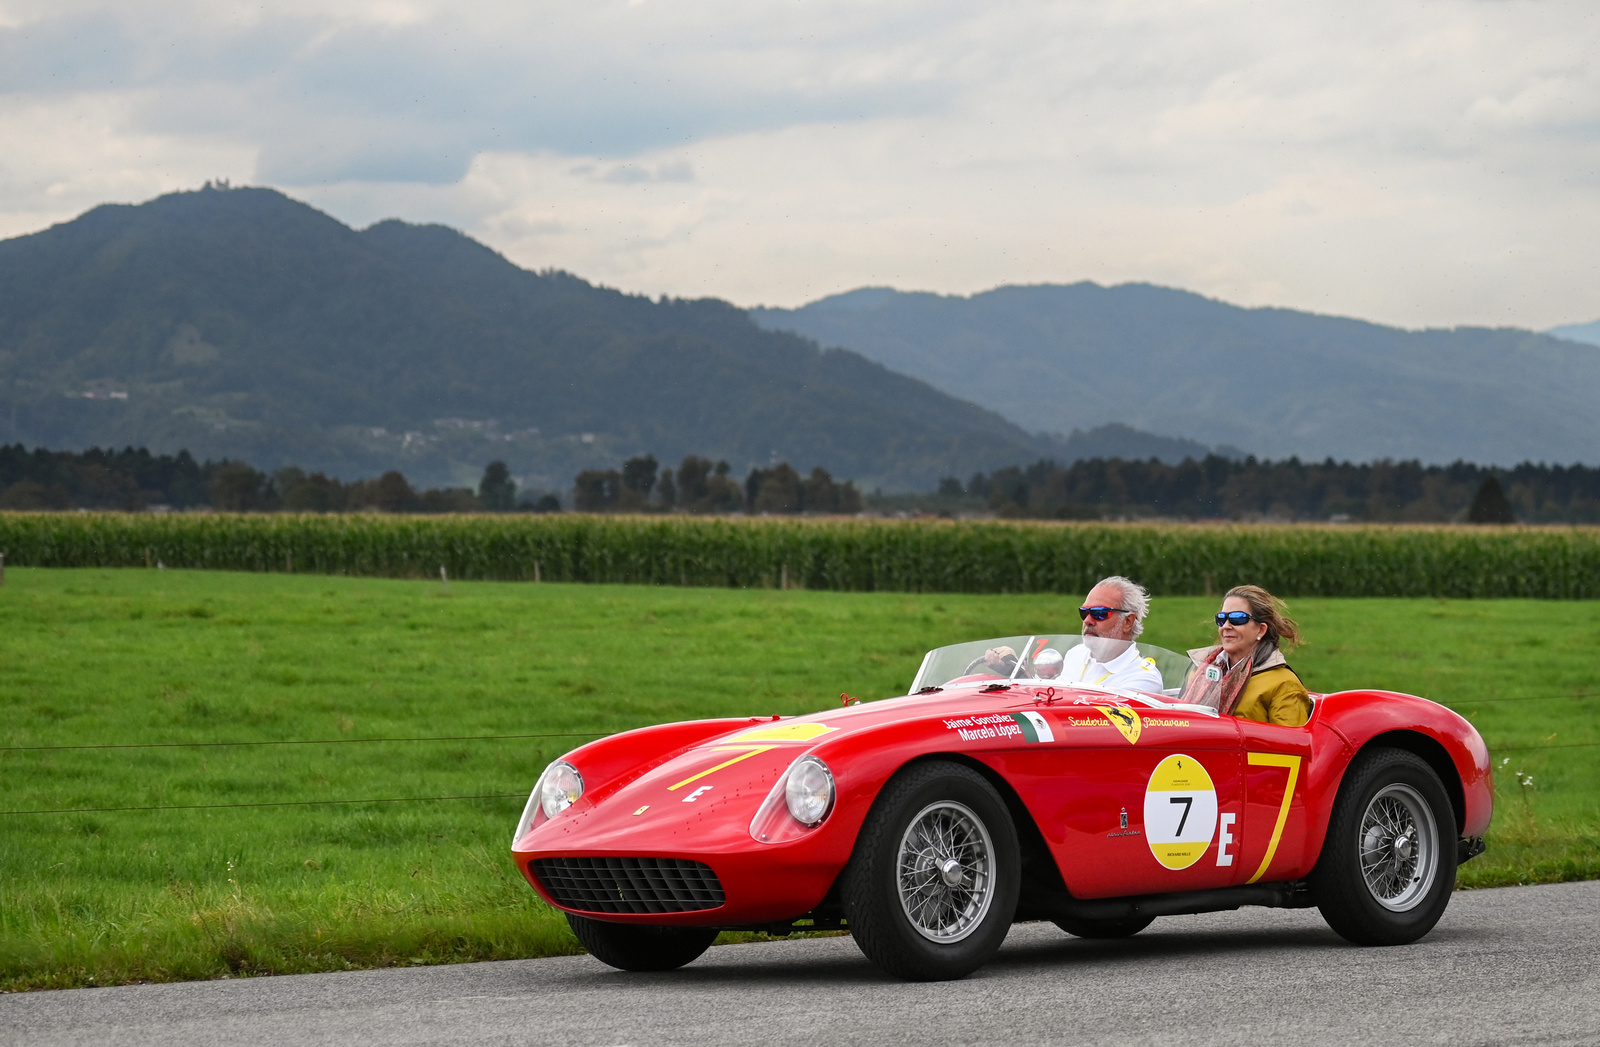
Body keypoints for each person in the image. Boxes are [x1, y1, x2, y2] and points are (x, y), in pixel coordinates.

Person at [1182, 584, 1311, 726]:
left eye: (1237, 618)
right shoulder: (1201, 672)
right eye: (1221, 618)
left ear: (1261, 630)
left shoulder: (1285, 684)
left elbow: (1291, 745)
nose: (1225, 626)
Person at [1056, 576, 1164, 693]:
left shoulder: (1144, 677)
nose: (1087, 620)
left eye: (1099, 613)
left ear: (1127, 622)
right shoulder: (1075, 654)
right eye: (1084, 612)